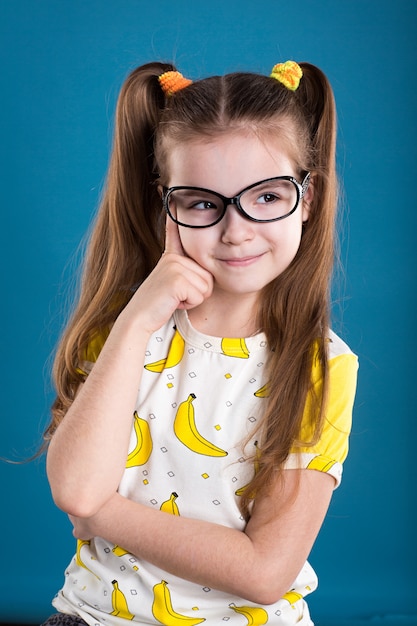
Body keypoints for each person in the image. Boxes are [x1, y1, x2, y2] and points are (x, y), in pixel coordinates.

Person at [42, 60, 358, 626]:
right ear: (168, 205)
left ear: (307, 200)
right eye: (204, 203)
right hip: (91, 618)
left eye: (266, 197)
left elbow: (264, 574)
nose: (236, 230)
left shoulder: (321, 366)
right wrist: (138, 320)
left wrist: (104, 516)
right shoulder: (125, 328)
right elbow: (73, 489)